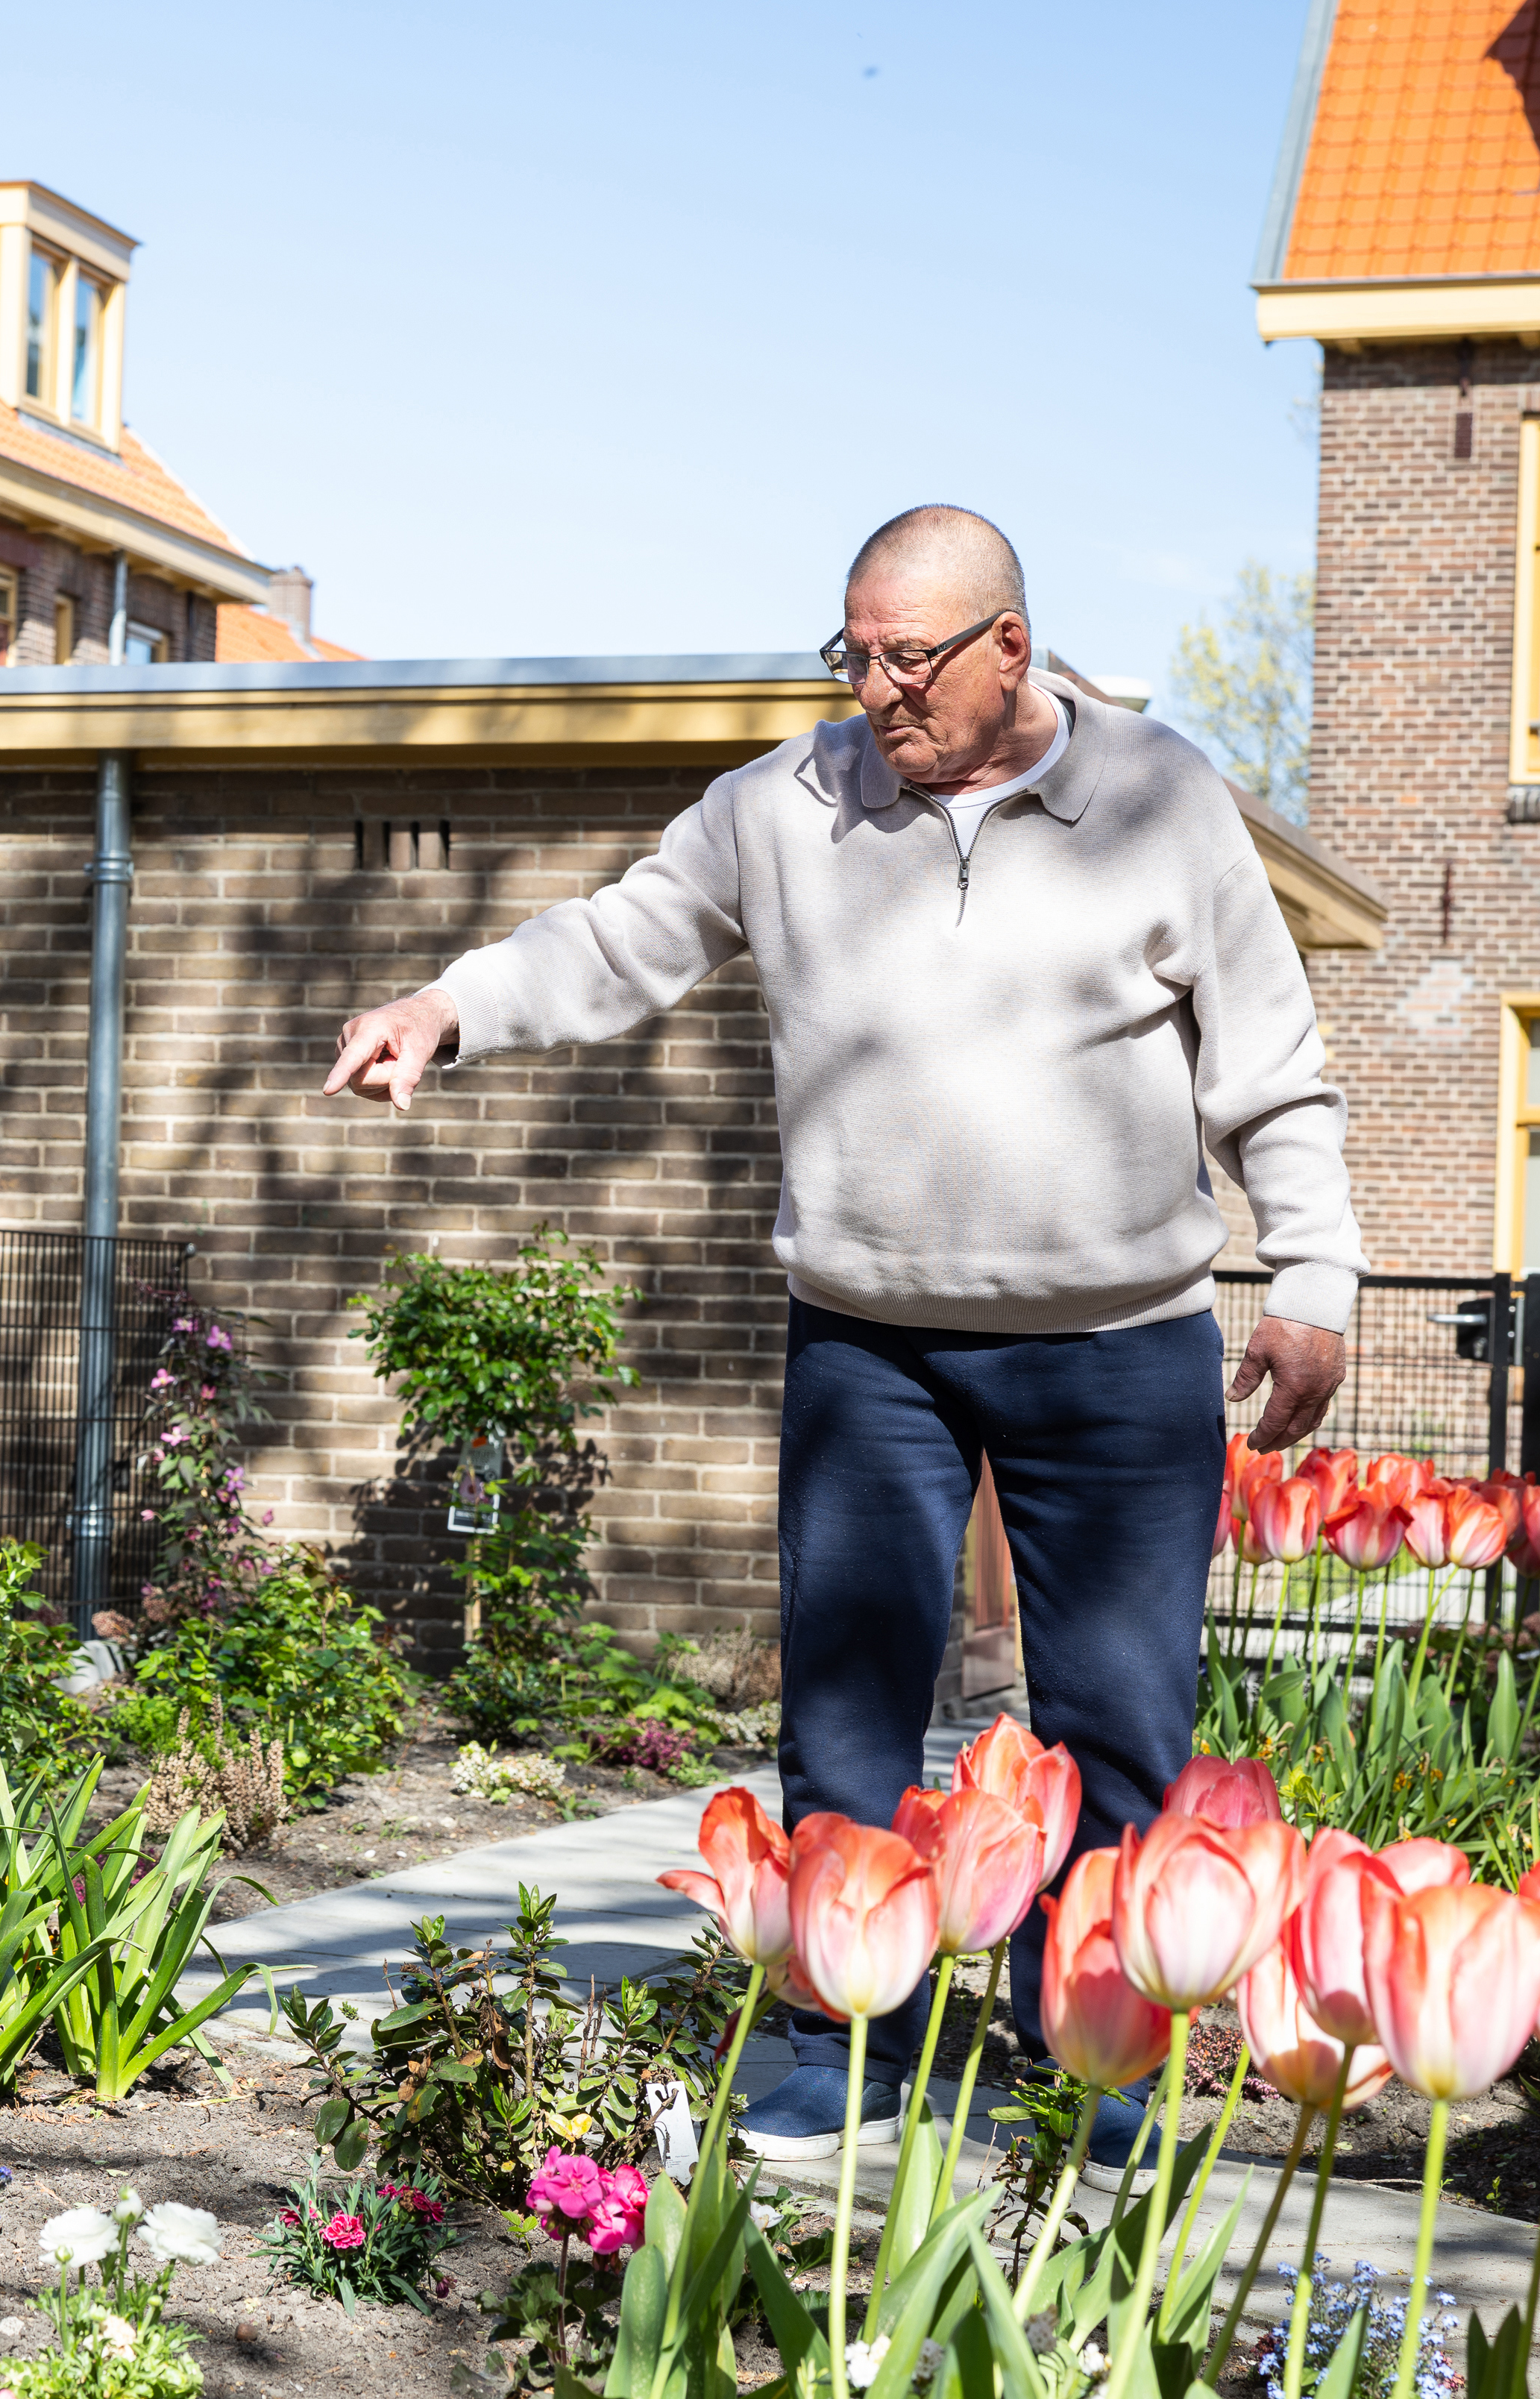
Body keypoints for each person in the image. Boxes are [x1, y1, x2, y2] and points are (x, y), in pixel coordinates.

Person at [321, 506, 1360, 2171]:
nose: (874, 689)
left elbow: (1270, 1062)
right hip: (870, 1339)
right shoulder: (782, 807)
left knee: (1114, 1719)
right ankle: (836, 2034)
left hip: (1116, 1343)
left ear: (1010, 645)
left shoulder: (1161, 803)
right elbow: (618, 935)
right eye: (851, 652)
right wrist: (452, 1005)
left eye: (909, 656)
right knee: (852, 1705)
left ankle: (1086, 2051)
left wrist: (1314, 1275)